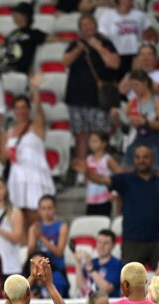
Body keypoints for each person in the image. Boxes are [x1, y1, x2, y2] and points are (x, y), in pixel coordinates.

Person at [80, 145, 159, 268]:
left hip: (158, 242)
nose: (141, 160)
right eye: (137, 157)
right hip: (132, 242)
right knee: (129, 284)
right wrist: (86, 172)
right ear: (134, 160)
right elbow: (103, 180)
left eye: (145, 157)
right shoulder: (125, 180)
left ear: (152, 159)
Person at [62, 14, 121, 181]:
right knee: (81, 136)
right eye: (83, 25)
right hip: (76, 98)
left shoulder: (105, 42)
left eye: (90, 25)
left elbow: (114, 63)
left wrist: (99, 48)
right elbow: (65, 62)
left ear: (95, 26)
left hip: (98, 99)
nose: (87, 28)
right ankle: (82, 171)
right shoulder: (75, 44)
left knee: (99, 136)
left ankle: (100, 168)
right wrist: (78, 49)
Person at [3, 76, 55, 227]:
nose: (21, 111)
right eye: (17, 108)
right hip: (17, 176)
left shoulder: (36, 127)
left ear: (28, 109)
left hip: (34, 174)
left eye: (24, 107)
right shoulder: (10, 131)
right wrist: (8, 153)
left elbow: (39, 112)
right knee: (20, 215)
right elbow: (2, 156)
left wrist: (36, 90)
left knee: (35, 214)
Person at [116, 71, 159, 172]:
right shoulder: (132, 102)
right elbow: (125, 125)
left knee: (156, 174)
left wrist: (147, 122)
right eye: (132, 86)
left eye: (136, 85)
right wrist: (119, 117)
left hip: (152, 141)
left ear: (145, 83)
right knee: (125, 171)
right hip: (137, 140)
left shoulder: (157, 101)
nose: (134, 89)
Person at [0, 2, 50, 75]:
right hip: (3, 65)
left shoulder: (33, 33)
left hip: (16, 68)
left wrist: (63, 38)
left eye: (16, 13)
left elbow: (53, 38)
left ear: (24, 15)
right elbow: (0, 42)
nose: (13, 15)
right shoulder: (13, 33)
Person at [98, 0, 157, 77]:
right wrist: (107, 56)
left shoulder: (139, 15)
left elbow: (153, 34)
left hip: (135, 55)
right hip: (117, 56)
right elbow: (102, 38)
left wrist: (149, 48)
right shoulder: (107, 15)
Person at [27, 195, 70, 298]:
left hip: (56, 269)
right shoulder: (34, 227)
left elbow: (59, 252)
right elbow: (30, 253)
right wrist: (34, 235)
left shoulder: (62, 226)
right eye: (43, 208)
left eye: (49, 208)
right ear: (39, 210)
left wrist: (41, 237)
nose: (46, 211)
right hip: (38, 270)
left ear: (55, 209)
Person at [75, 229, 123, 297]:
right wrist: (78, 263)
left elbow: (106, 289)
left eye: (106, 243)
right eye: (99, 242)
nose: (101, 246)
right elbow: (81, 287)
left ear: (113, 246)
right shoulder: (92, 262)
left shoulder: (116, 264)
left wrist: (91, 269)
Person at [84, 132, 121, 216]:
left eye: (95, 141)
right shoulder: (88, 159)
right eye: (90, 141)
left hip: (104, 197)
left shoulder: (107, 159)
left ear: (104, 143)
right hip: (91, 198)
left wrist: (114, 191)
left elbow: (119, 174)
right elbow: (87, 177)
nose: (92, 144)